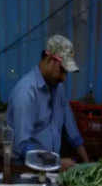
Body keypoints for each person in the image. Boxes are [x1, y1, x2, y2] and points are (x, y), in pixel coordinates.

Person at [7, 34, 89, 170]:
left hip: (49, 166)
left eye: (66, 73)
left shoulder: (58, 87)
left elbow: (71, 129)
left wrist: (87, 165)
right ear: (50, 59)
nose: (64, 78)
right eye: (62, 70)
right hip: (26, 168)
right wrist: (57, 163)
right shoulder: (26, 92)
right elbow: (22, 146)